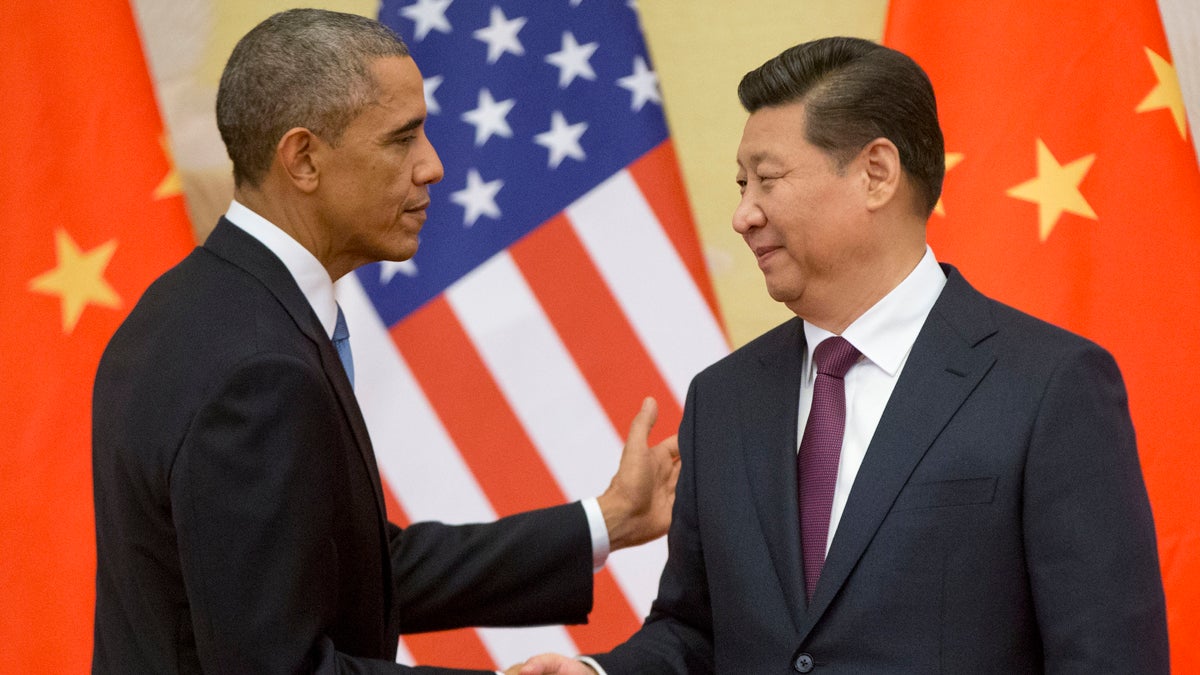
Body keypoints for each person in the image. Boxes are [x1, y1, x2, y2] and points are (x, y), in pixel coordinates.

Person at [517, 36, 1169, 674]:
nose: (743, 214)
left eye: (767, 181)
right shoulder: (723, 396)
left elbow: (1107, 652)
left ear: (876, 173)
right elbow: (695, 629)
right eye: (742, 185)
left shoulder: (1047, 384)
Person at [91, 9, 679, 675]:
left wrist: (607, 520)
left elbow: (352, 571)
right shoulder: (256, 369)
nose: (433, 166)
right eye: (402, 140)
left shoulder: (191, 306)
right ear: (303, 158)